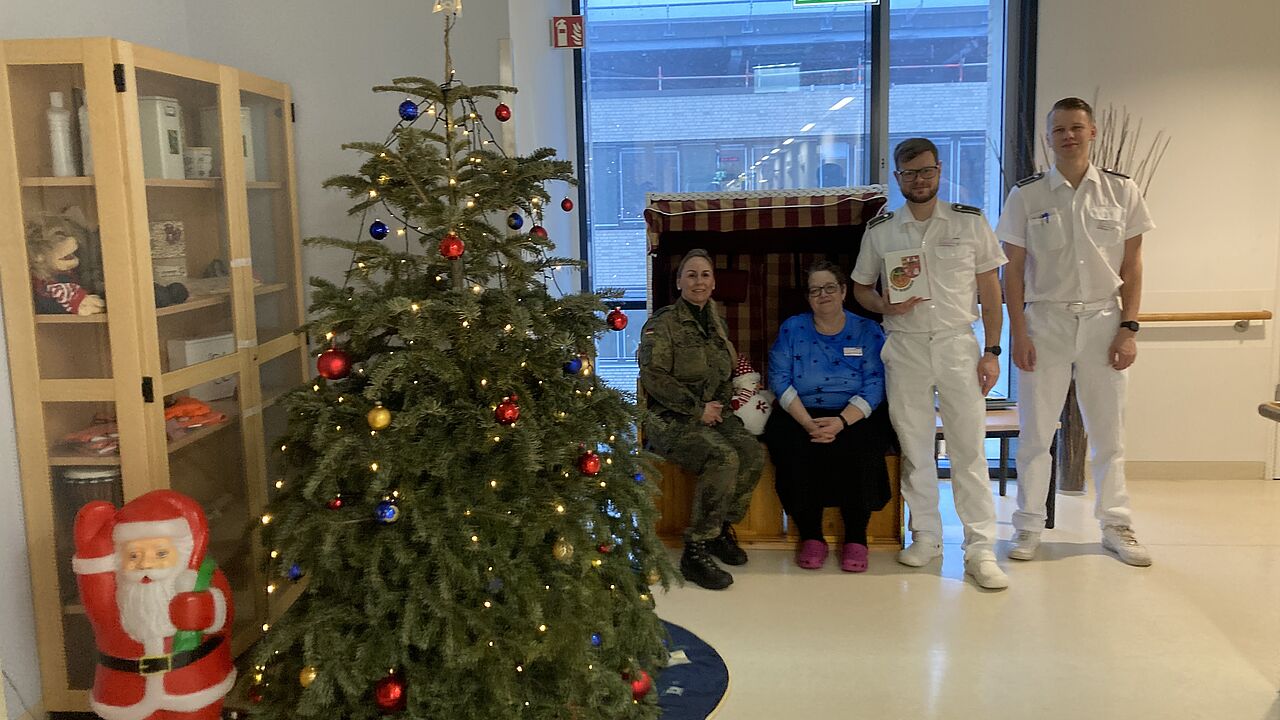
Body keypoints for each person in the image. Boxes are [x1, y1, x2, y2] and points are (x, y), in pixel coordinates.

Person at [996, 97, 1156, 566]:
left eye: (1076, 128)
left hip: (1104, 322)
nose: (1068, 136)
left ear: (1093, 133)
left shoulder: (1121, 191)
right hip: (1046, 321)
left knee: (1110, 433)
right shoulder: (1027, 195)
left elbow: (1133, 265)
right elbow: (1013, 271)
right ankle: (1027, 526)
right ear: (1049, 138)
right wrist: (1018, 334)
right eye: (1059, 129)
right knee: (1036, 433)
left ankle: (1116, 524)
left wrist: (1129, 328)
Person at [851, 137, 1010, 590]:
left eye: (926, 171)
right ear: (897, 178)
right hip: (904, 345)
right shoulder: (882, 230)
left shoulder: (970, 222)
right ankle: (927, 536)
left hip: (959, 345)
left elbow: (991, 291)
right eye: (909, 174)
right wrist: (884, 303)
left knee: (968, 450)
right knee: (916, 447)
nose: (919, 180)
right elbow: (860, 286)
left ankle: (980, 547)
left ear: (939, 170)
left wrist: (992, 350)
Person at [638, 249, 766, 590]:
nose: (699, 281)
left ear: (714, 282)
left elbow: (724, 376)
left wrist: (719, 407)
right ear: (679, 282)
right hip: (669, 419)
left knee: (752, 453)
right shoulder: (661, 325)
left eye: (705, 275)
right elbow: (654, 377)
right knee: (723, 458)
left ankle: (720, 529)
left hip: (713, 413)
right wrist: (697, 409)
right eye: (691, 274)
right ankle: (695, 550)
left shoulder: (718, 323)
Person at [764, 261, 892, 572]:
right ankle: (811, 536)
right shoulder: (793, 328)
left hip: (853, 410)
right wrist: (807, 422)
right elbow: (779, 378)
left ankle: (856, 538)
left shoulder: (868, 330)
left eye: (830, 288)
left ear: (844, 291)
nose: (823, 295)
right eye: (815, 290)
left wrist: (842, 421)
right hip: (801, 410)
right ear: (808, 298)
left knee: (863, 446)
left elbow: (876, 382)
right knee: (792, 446)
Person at [72, 489, 236, 720]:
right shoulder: (114, 591)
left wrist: (208, 609)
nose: (146, 564)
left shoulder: (198, 578)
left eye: (160, 554)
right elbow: (95, 587)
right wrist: (94, 549)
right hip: (126, 690)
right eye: (134, 556)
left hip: (192, 682)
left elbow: (224, 613)